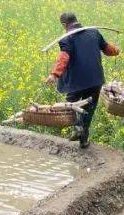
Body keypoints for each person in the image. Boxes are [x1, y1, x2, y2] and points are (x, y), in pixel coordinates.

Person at [44, 12, 120, 148]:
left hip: (76, 83)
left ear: (64, 24)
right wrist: (116, 50)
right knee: (88, 108)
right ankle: (83, 140)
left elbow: (64, 57)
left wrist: (54, 75)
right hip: (95, 80)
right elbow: (108, 49)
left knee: (71, 107)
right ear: (76, 20)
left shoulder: (67, 38)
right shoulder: (94, 32)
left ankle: (78, 127)